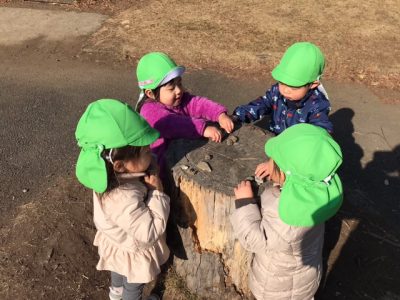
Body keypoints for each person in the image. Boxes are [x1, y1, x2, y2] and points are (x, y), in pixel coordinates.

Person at [230, 123, 343, 300]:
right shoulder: (320, 190)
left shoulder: (288, 216)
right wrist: (280, 172)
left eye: (274, 160)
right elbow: (302, 176)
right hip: (306, 279)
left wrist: (245, 203)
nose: (270, 161)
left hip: (277, 288)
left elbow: (256, 240)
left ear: (285, 173)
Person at [75, 99, 170, 300]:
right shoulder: (122, 197)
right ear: (119, 165)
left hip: (118, 243)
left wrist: (147, 165)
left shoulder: (104, 177)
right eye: (145, 151)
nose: (151, 153)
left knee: (118, 273)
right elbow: (149, 232)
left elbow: (137, 162)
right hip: (134, 249)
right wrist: (157, 194)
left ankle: (115, 295)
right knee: (133, 287)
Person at [135, 52, 234, 178]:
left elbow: (199, 104)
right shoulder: (149, 111)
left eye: (179, 83)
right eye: (171, 88)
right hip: (162, 172)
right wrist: (202, 128)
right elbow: (173, 123)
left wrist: (219, 114)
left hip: (180, 158)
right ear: (150, 93)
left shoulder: (179, 100)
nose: (178, 90)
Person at [233, 42, 333, 135]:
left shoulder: (317, 105)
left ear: (313, 84)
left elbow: (321, 132)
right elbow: (261, 104)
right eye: (282, 82)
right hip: (274, 139)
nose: (285, 90)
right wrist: (238, 116)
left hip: (296, 148)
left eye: (294, 87)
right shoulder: (277, 91)